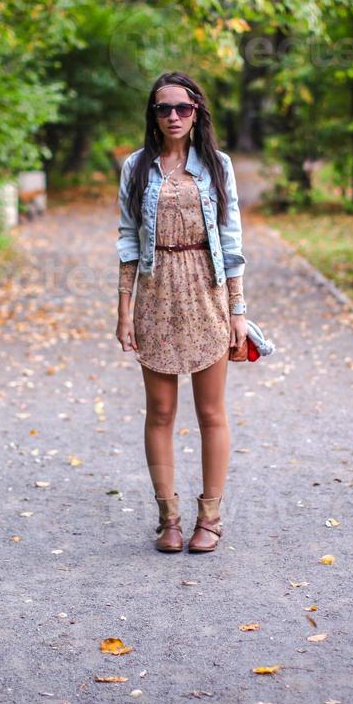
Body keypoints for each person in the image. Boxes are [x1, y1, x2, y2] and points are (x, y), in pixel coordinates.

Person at [115, 71, 247, 554]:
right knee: (161, 412)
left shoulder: (217, 165)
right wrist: (124, 309)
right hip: (155, 293)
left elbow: (231, 242)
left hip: (206, 291)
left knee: (211, 412)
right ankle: (168, 517)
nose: (173, 116)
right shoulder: (136, 167)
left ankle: (209, 518)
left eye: (183, 108)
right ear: (152, 115)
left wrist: (238, 310)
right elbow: (128, 241)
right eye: (163, 108)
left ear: (197, 114)